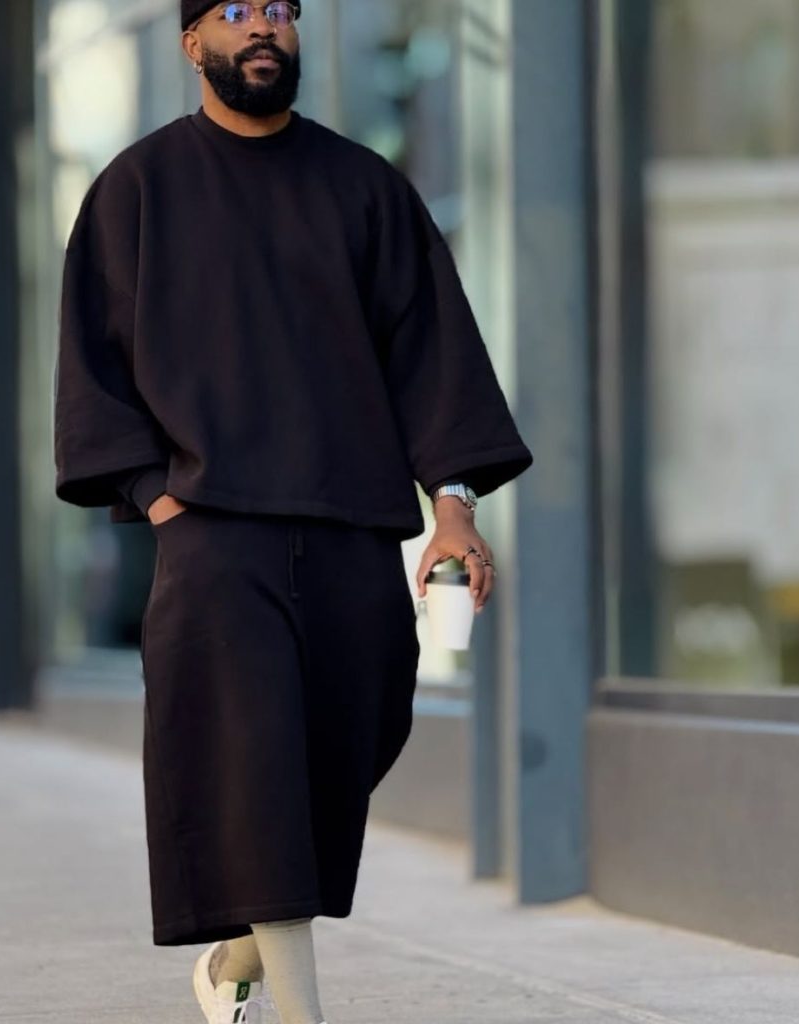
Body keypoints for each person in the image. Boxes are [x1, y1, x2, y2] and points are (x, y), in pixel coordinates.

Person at [53, 2, 534, 1021]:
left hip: (355, 525)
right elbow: (93, 368)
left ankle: (237, 961)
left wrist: (451, 508)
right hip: (214, 531)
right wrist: (158, 496)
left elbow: (431, 355)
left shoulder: (365, 188)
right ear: (191, 43)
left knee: (350, 741)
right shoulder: (135, 190)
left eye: (280, 11)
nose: (263, 29)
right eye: (236, 12)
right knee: (258, 773)